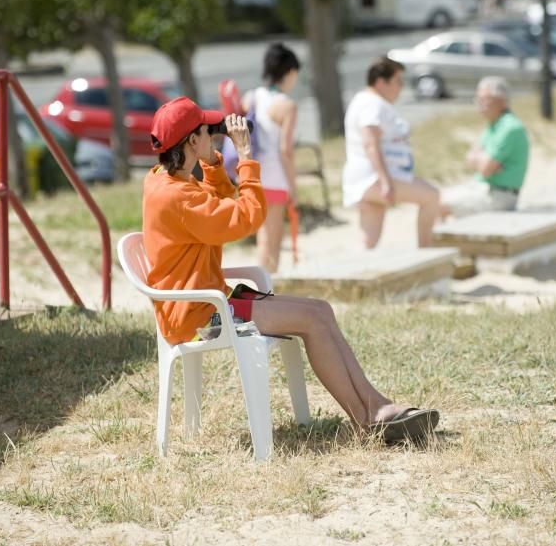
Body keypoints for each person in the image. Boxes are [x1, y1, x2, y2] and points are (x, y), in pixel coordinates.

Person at [141, 96, 440, 443]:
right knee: (312, 320)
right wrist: (247, 159)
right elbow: (246, 219)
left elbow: (219, 205)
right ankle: (368, 418)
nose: (213, 136)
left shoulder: (164, 180)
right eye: (208, 131)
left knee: (320, 310)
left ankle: (375, 407)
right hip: (199, 317)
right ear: (192, 140)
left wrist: (211, 165)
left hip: (207, 303)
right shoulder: (178, 198)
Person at [342, 57, 443, 249]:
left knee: (368, 241)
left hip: (361, 177)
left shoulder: (363, 100)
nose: (401, 87)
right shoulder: (373, 103)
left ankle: (354, 274)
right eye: (398, 81)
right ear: (381, 82)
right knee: (431, 196)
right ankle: (426, 254)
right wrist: (385, 181)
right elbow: (370, 142)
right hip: (374, 177)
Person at [242, 43, 301, 274]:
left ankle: (264, 286)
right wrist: (293, 187)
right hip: (275, 176)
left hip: (253, 171)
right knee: (272, 238)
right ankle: (265, 289)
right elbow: (286, 150)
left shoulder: (253, 96)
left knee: (264, 235)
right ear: (290, 72)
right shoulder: (287, 106)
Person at [444, 77, 530, 217]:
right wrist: (485, 161)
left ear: (501, 100)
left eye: (484, 99)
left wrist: (483, 161)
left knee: (440, 205)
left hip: (499, 196)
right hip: (484, 188)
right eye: (478, 99)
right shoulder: (494, 124)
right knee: (435, 198)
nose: (479, 104)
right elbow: (469, 159)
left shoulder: (510, 127)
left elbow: (484, 168)